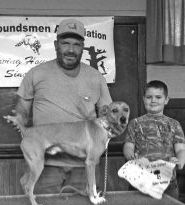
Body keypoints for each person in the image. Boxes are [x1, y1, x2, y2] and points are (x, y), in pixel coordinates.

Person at [7, 18, 112, 194]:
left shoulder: (96, 78)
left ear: (83, 47)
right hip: (46, 166)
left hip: (85, 167)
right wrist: (18, 117)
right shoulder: (36, 74)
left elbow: (108, 116)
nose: (71, 49)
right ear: (56, 45)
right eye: (65, 43)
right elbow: (22, 110)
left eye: (77, 44)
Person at [123, 80, 185, 199]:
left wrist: (180, 162)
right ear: (143, 99)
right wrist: (131, 157)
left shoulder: (174, 124)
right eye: (149, 97)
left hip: (167, 181)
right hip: (140, 179)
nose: (153, 100)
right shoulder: (135, 123)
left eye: (158, 97)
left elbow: (181, 149)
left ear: (166, 100)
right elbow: (128, 146)